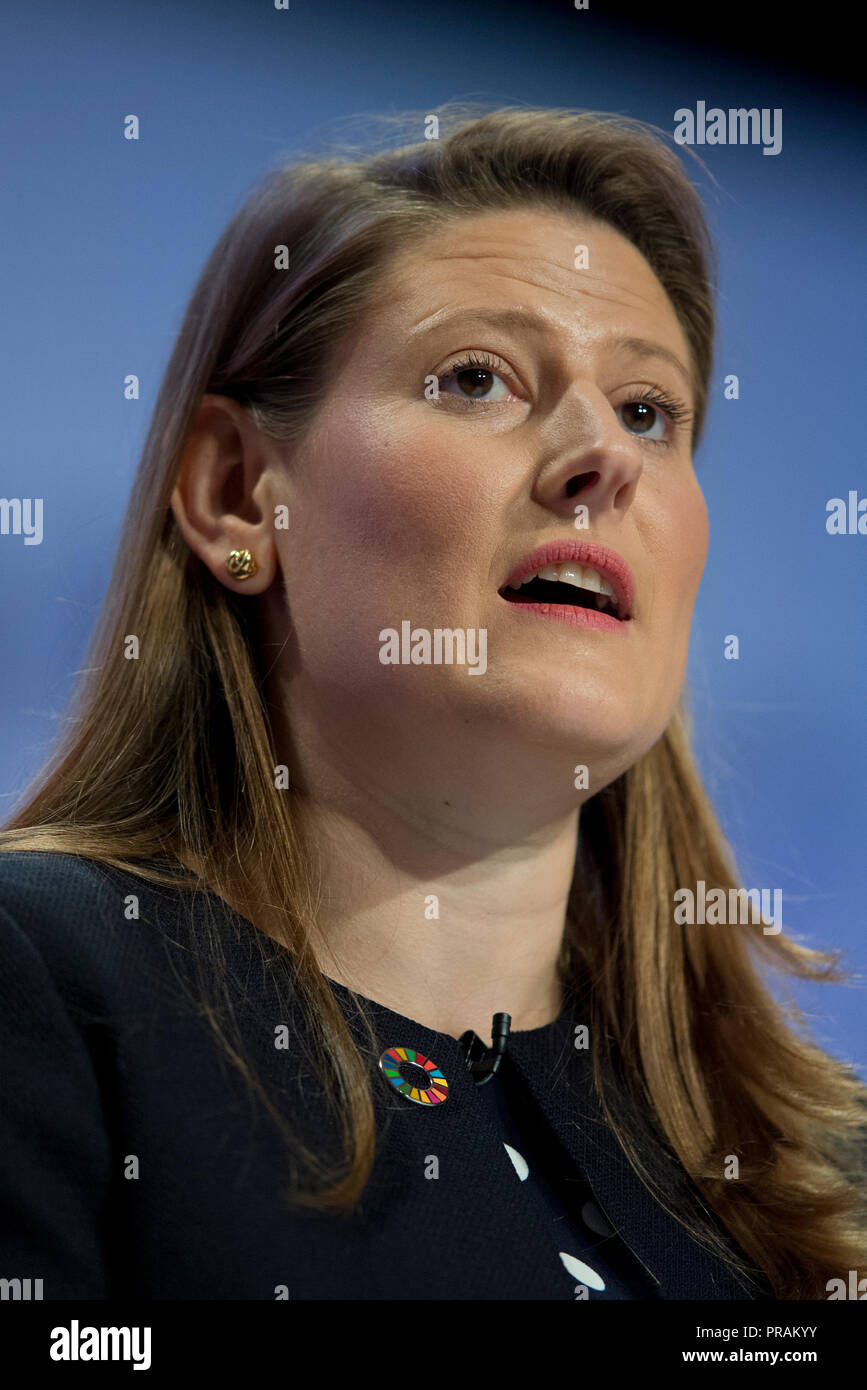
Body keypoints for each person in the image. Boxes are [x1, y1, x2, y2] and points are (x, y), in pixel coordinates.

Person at [1, 104, 864, 1302]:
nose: (602, 456)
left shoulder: (825, 1186)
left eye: (648, 411)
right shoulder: (46, 985)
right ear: (241, 493)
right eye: (478, 378)